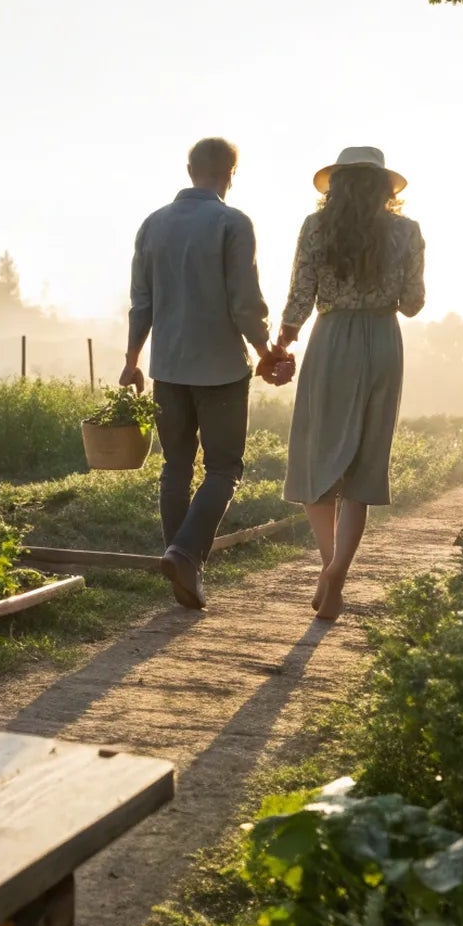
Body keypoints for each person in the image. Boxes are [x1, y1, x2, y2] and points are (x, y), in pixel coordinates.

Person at [122, 137, 286, 609]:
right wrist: (264, 351)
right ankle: (184, 555)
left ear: (189, 168)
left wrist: (132, 361)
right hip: (219, 369)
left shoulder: (153, 225)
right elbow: (243, 301)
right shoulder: (232, 223)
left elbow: (142, 302)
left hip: (167, 369)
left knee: (175, 466)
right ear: (229, 174)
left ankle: (180, 567)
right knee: (224, 469)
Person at [277, 146, 425, 621]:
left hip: (332, 339)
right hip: (383, 340)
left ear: (336, 185)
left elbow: (301, 295)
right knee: (365, 461)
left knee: (317, 456)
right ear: (385, 187)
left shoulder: (316, 228)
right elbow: (413, 303)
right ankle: (337, 573)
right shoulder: (407, 231)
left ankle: (330, 570)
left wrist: (284, 340)